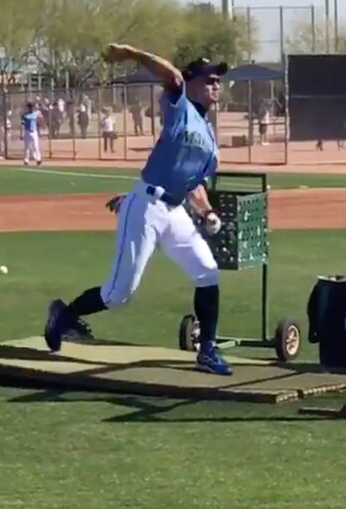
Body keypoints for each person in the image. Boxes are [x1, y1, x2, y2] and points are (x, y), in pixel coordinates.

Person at [42, 44, 233, 376]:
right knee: (119, 294)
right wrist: (130, 53)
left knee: (207, 272)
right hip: (147, 205)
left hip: (174, 212)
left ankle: (208, 350)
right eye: (209, 79)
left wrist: (206, 212)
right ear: (191, 82)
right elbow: (171, 75)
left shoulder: (210, 136)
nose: (216, 84)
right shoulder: (180, 105)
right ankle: (64, 316)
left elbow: (194, 184)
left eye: (218, 80)